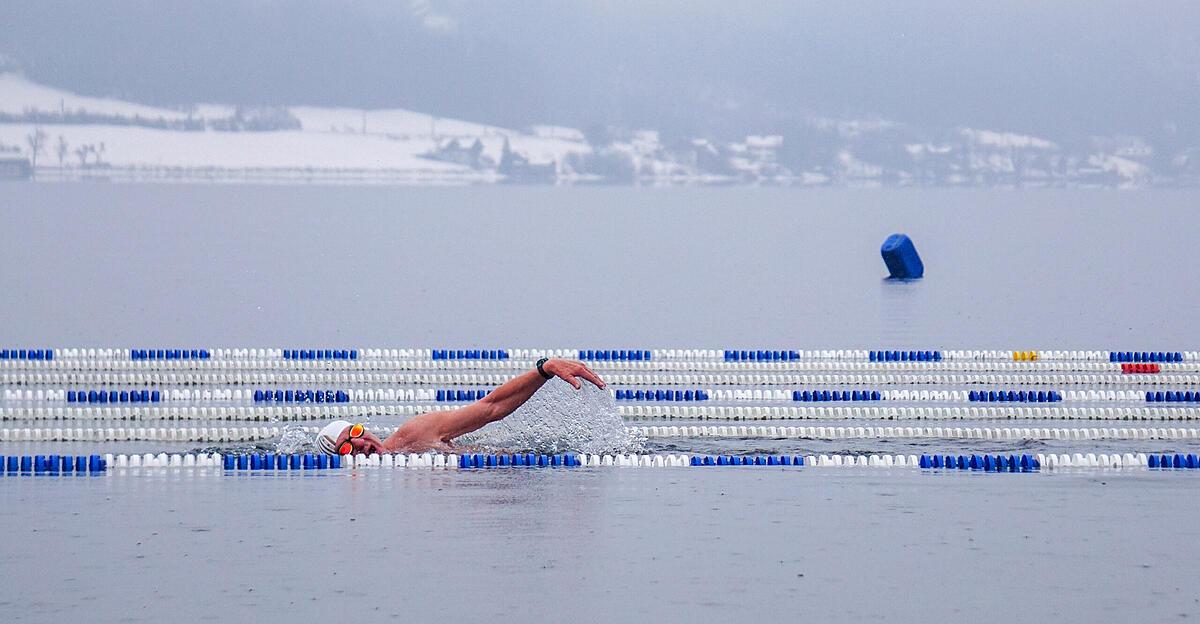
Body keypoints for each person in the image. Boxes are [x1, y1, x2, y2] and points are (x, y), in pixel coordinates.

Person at [314, 357, 606, 456]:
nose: (360, 444)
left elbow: (491, 408)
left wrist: (544, 369)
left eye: (355, 432)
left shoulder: (413, 434)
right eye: (346, 448)